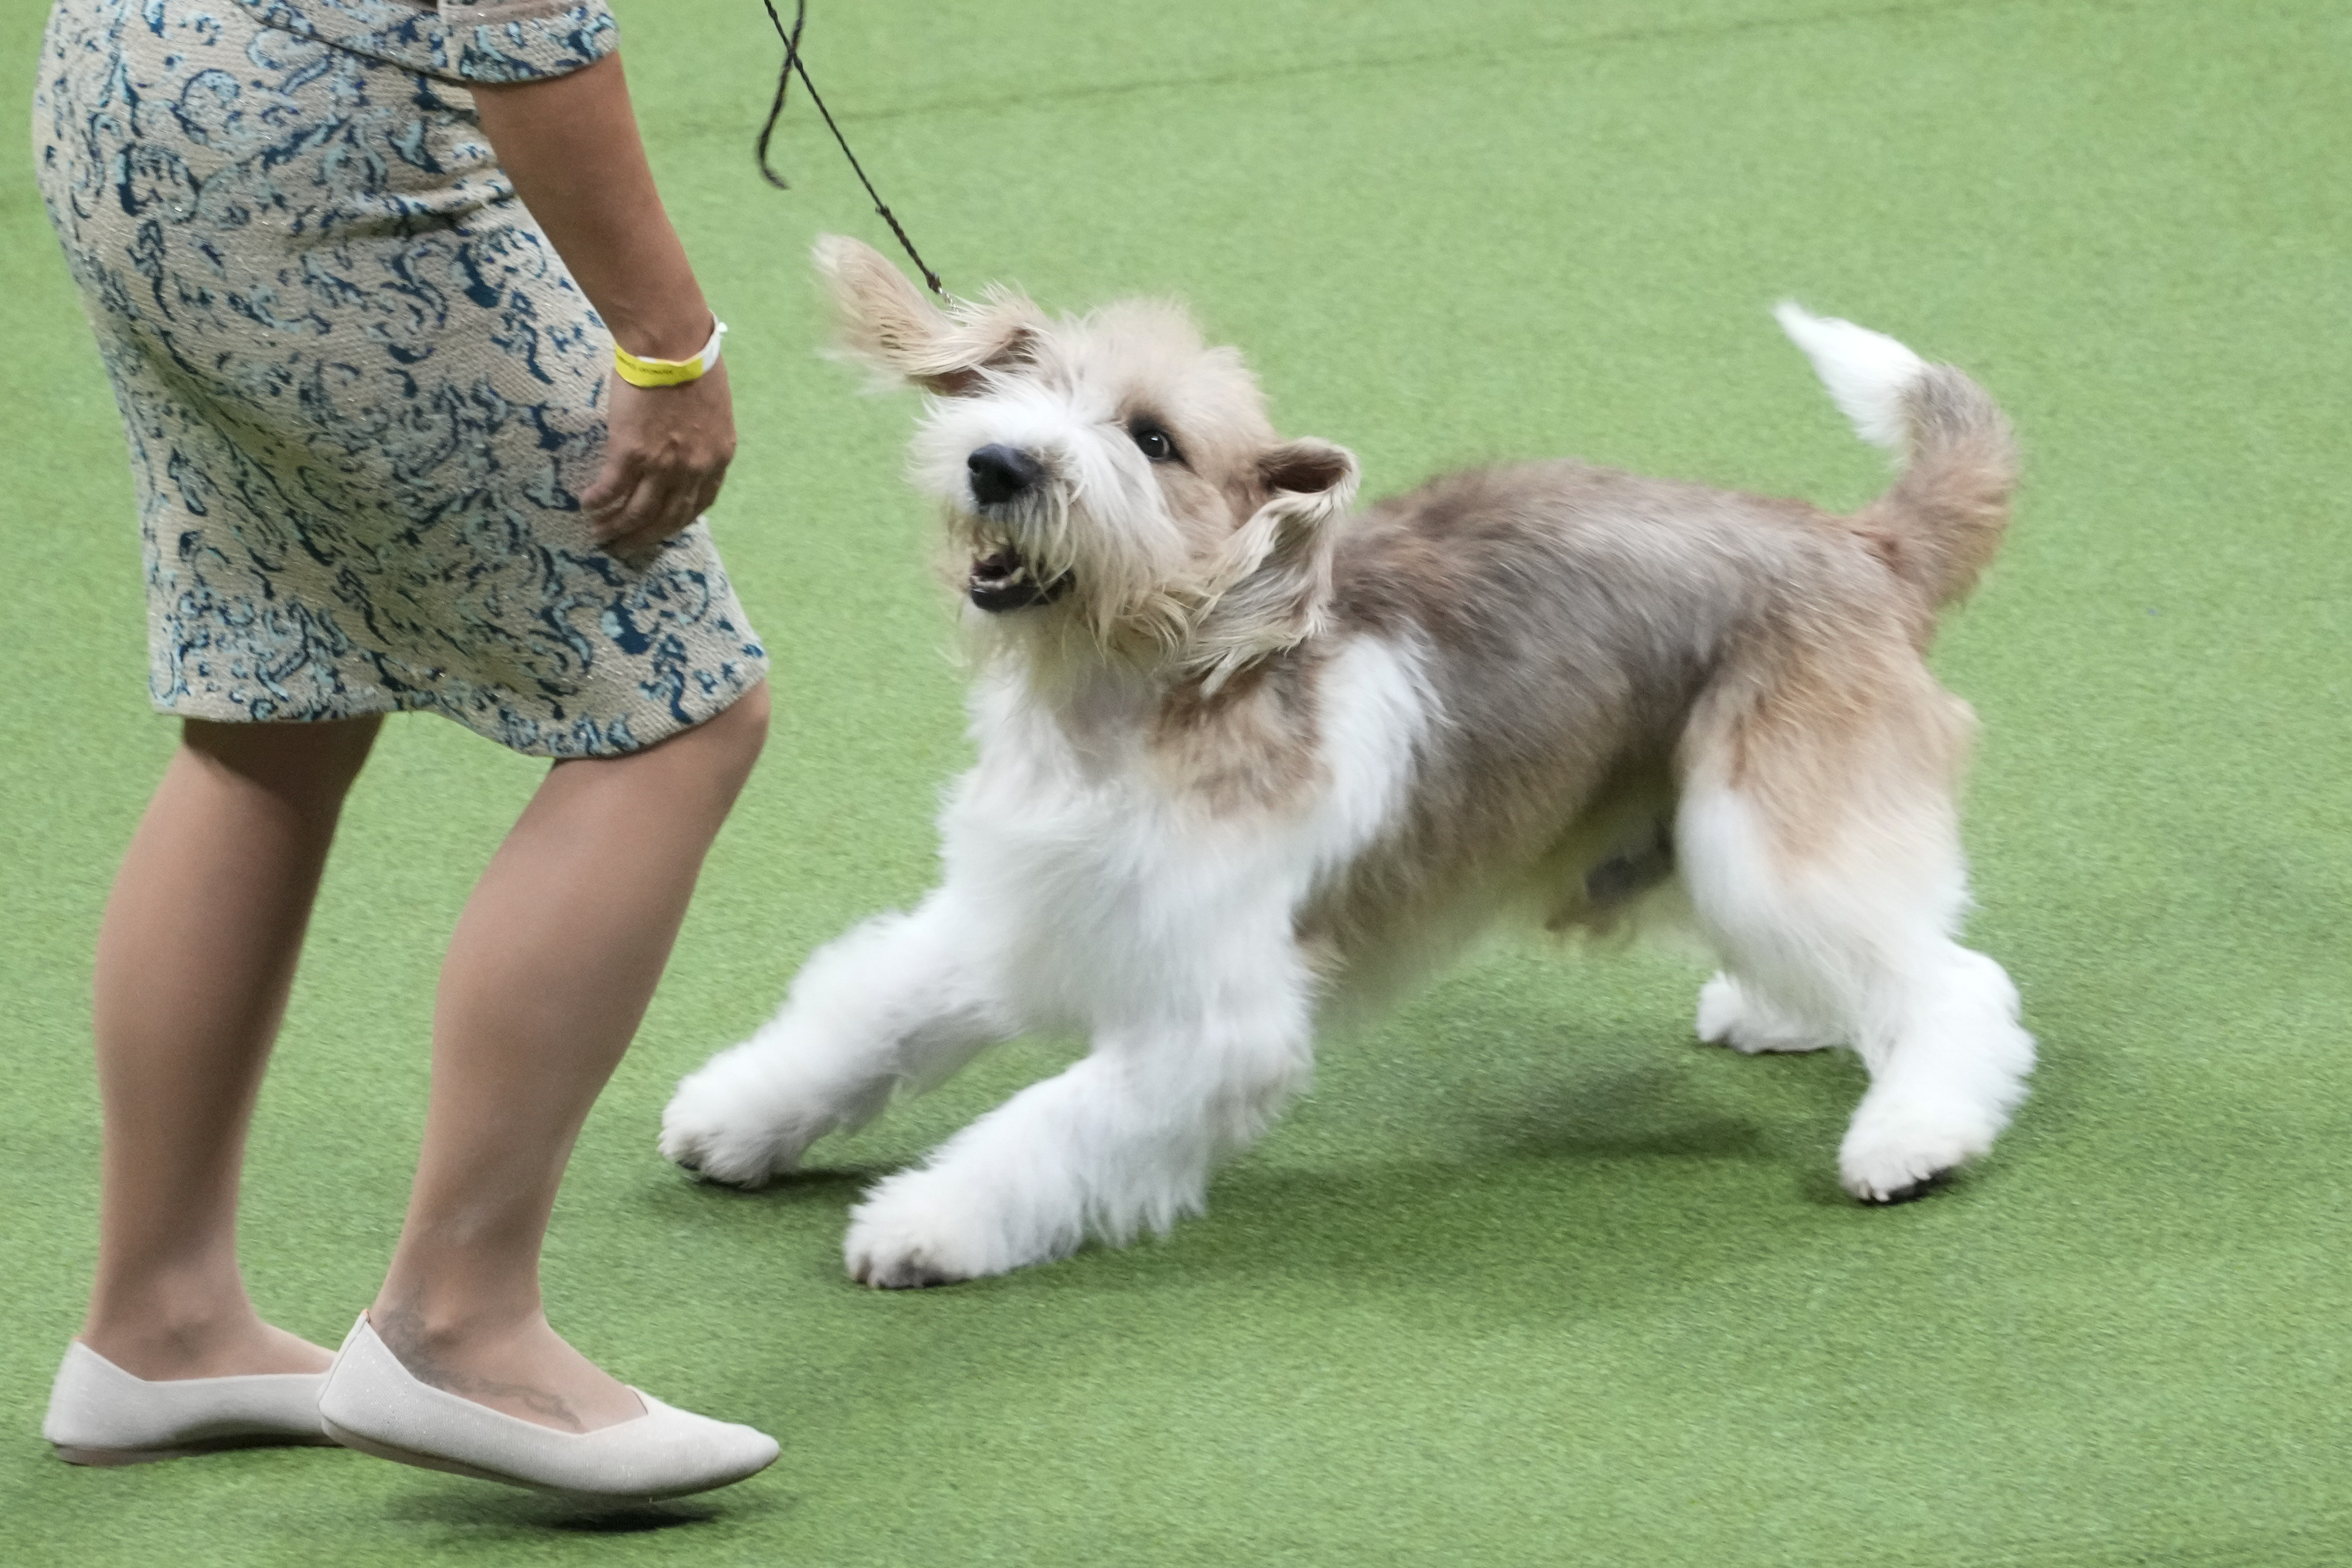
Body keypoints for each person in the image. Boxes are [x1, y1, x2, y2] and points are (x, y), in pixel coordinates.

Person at [33, 0, 779, 1500]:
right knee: (676, 712)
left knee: (272, 707)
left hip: (129, 87)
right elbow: (520, 16)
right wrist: (665, 342)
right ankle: (460, 1323)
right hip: (329, 157)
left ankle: (159, 1324)